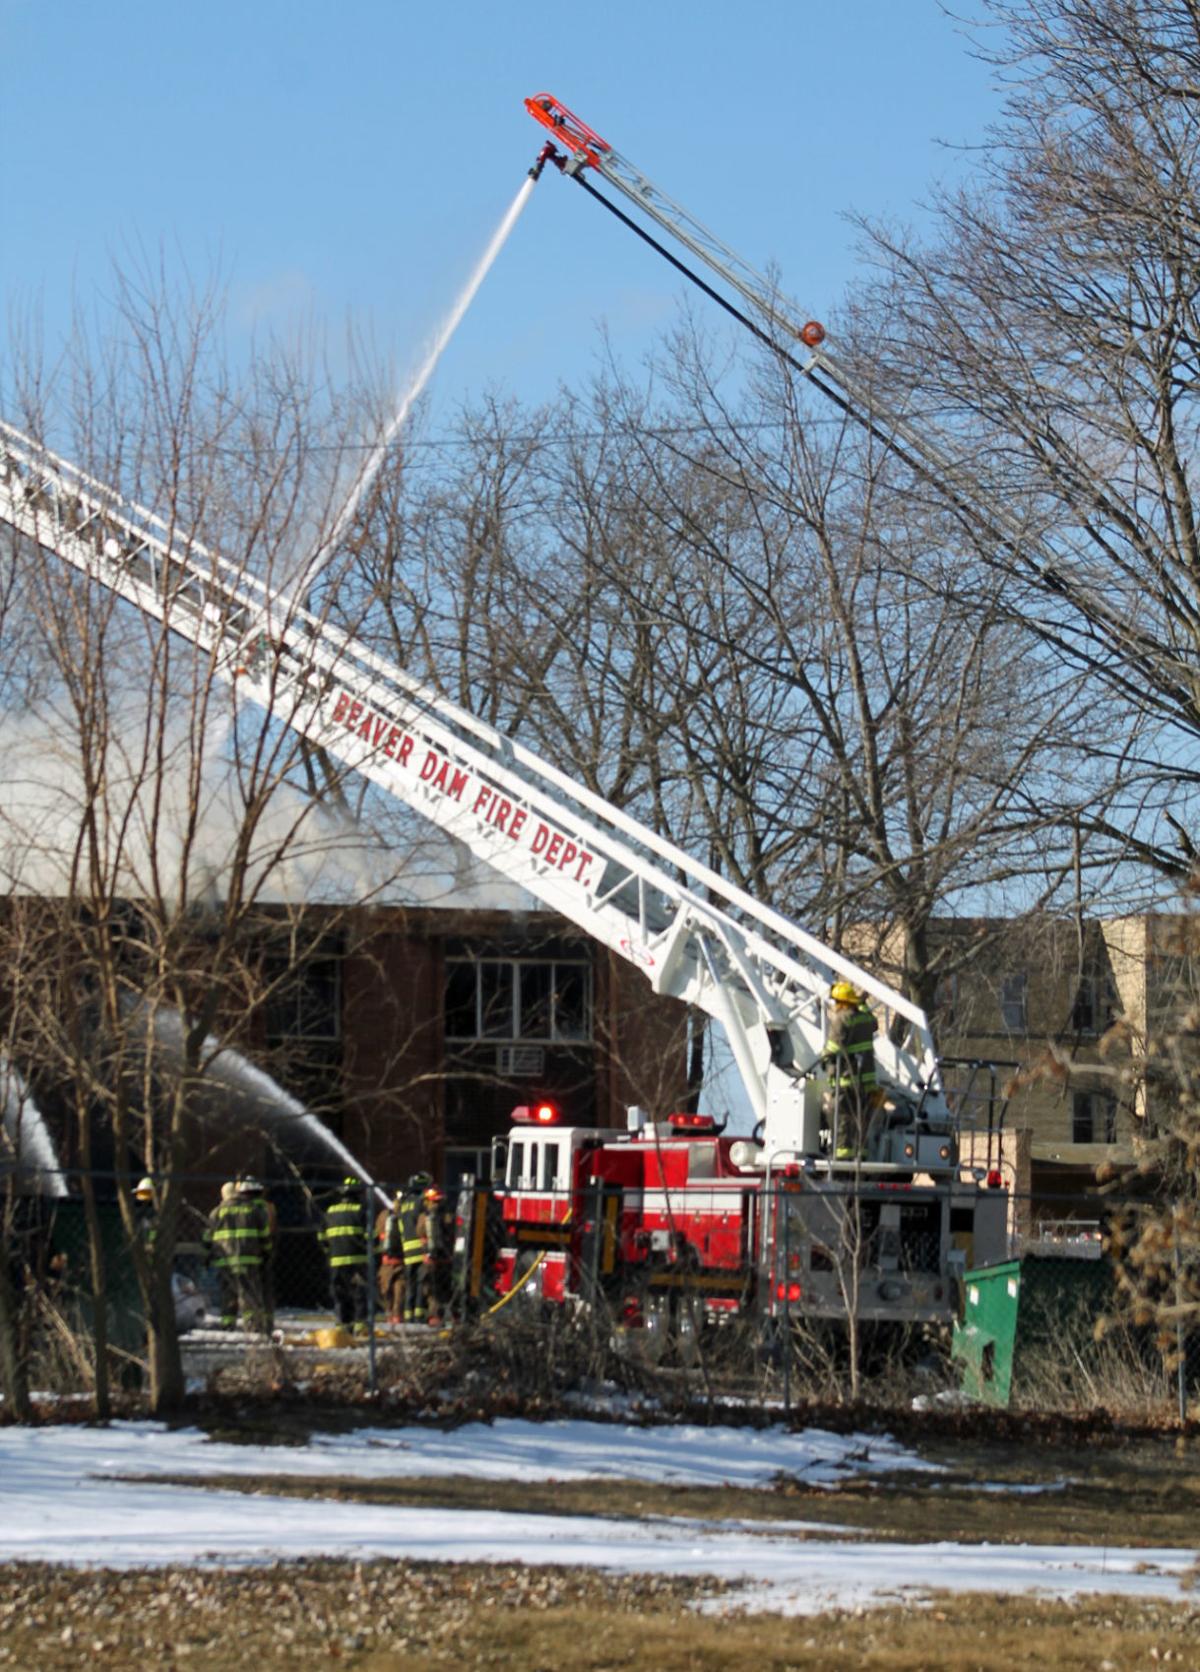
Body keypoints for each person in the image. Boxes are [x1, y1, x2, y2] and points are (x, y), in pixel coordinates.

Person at [203, 1177, 272, 1331]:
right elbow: (264, 1235)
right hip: (249, 1260)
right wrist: (267, 1252)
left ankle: (228, 1324)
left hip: (225, 1261)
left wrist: (207, 1255)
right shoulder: (252, 1209)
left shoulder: (217, 1212)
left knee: (228, 1293)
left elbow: (207, 1238)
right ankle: (253, 1325)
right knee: (248, 1292)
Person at [821, 981, 879, 1159]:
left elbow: (832, 1048)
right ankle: (861, 1153)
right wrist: (861, 1003)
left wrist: (823, 1058)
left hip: (847, 1079)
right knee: (861, 1118)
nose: (835, 1007)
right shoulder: (866, 1018)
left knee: (842, 1116)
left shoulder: (842, 1019)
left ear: (842, 1003)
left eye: (836, 1003)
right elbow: (875, 1023)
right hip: (867, 1081)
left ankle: (842, 1154)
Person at [321, 1177, 369, 1333]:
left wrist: (330, 1252)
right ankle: (360, 1325)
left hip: (336, 1261)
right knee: (359, 1293)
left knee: (340, 1294)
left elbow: (322, 1237)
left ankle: (343, 1326)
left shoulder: (330, 1211)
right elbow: (371, 1237)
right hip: (358, 1261)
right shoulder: (361, 1211)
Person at [398, 1172, 431, 1324]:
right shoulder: (421, 1202)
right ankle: (419, 1315)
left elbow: (400, 1227)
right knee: (421, 1284)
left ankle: (407, 1314)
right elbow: (426, 1224)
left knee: (410, 1284)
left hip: (407, 1250)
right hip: (420, 1248)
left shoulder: (403, 1204)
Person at [374, 1192, 406, 1323]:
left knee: (385, 1288)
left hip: (386, 1259)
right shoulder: (404, 1215)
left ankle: (389, 1313)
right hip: (401, 1258)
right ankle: (397, 1315)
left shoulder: (382, 1215)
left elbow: (375, 1234)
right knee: (400, 1287)